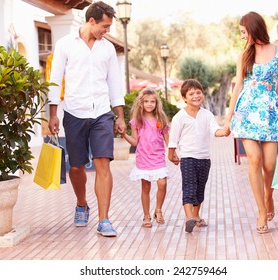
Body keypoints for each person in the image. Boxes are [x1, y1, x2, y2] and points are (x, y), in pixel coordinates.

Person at [48, 1, 126, 237]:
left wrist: (120, 115)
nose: (108, 30)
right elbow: (55, 78)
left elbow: (114, 82)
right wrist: (52, 113)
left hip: (102, 112)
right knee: (76, 166)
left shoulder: (107, 48)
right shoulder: (65, 45)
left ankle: (104, 220)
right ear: (91, 21)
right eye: (105, 25)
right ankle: (81, 203)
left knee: (103, 163)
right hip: (74, 112)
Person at [224, 11, 278, 234]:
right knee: (254, 159)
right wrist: (228, 119)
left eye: (244, 32)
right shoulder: (244, 55)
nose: (242, 36)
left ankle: (268, 197)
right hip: (247, 112)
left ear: (254, 29)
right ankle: (261, 211)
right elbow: (238, 87)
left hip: (271, 112)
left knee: (270, 165)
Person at [168, 79, 228, 233]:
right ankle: (189, 218)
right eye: (191, 93)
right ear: (184, 98)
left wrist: (224, 132)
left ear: (202, 94)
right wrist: (171, 155)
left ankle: (196, 215)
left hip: (204, 158)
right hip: (187, 158)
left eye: (198, 92)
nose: (195, 96)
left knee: (200, 189)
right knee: (189, 187)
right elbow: (173, 139)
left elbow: (215, 130)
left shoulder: (207, 115)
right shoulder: (179, 117)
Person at [121, 89, 170, 228]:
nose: (149, 104)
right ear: (141, 103)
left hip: (158, 157)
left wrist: (173, 152)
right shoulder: (136, 120)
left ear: (156, 103)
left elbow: (168, 140)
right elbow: (135, 142)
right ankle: (146, 216)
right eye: (146, 101)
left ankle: (158, 209)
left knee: (162, 183)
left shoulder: (161, 119)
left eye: (152, 101)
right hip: (143, 158)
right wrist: (124, 135)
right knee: (146, 187)